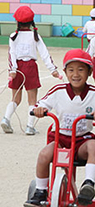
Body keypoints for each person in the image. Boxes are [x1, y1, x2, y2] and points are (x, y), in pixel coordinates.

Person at [23, 49, 95, 207]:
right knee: (44, 155)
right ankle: (40, 191)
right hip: (60, 139)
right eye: (71, 70)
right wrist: (39, 110)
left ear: (89, 72)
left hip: (82, 141)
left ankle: (88, 185)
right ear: (65, 72)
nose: (76, 74)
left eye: (81, 69)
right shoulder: (58, 91)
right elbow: (40, 105)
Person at [1, 6, 59, 135]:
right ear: (32, 22)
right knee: (32, 100)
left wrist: (13, 70)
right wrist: (52, 69)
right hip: (31, 68)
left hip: (18, 70)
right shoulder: (35, 36)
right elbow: (44, 53)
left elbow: (12, 54)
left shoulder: (13, 36)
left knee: (15, 98)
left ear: (17, 22)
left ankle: (6, 119)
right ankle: (29, 126)